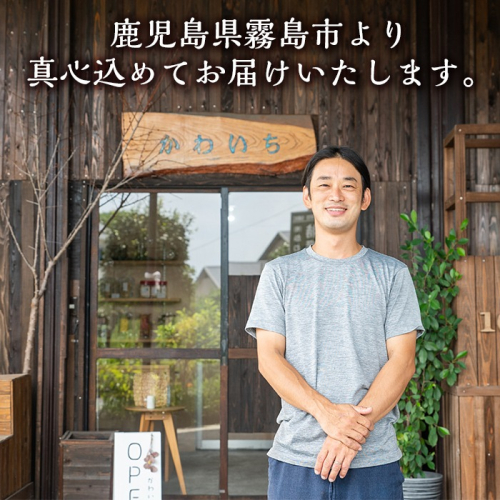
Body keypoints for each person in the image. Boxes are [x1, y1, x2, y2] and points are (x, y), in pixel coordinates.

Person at [245, 146, 424, 500]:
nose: (336, 195)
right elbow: (269, 359)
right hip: (297, 460)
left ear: (365, 198)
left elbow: (403, 362)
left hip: (373, 462)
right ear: (308, 197)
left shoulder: (392, 275)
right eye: (324, 184)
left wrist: (350, 434)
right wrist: (326, 414)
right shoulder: (279, 273)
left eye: (348, 185)